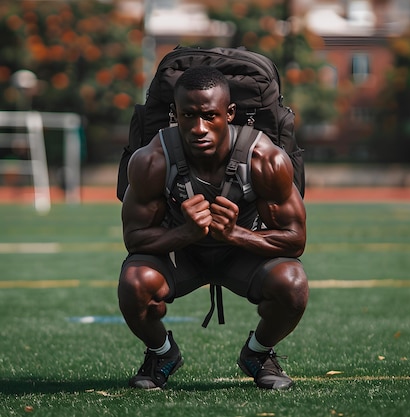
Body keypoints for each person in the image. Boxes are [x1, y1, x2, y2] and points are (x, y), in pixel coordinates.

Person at [117, 65, 308, 390]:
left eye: (210, 116)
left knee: (292, 283)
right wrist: (185, 234)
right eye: (188, 116)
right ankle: (161, 354)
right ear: (175, 114)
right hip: (181, 255)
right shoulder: (152, 160)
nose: (199, 128)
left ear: (229, 113)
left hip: (243, 254)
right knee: (135, 282)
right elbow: (133, 238)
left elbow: (295, 240)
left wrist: (236, 234)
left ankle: (259, 354)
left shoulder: (265, 160)